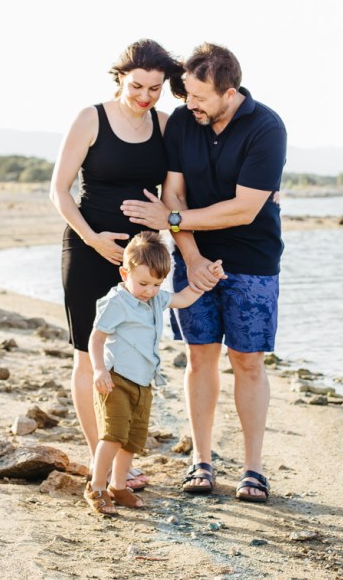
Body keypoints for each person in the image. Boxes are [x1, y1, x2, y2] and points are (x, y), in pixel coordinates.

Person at [120, 42, 287, 503]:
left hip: (252, 262)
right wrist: (191, 257)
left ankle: (253, 469)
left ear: (229, 93)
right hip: (194, 255)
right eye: (186, 94)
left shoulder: (267, 127)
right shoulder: (182, 123)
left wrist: (172, 221)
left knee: (248, 361)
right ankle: (201, 460)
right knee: (199, 357)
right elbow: (172, 193)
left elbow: (244, 208)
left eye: (199, 97)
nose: (188, 103)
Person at [49, 39, 184, 491]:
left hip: (144, 259)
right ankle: (99, 462)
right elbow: (59, 190)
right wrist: (93, 238)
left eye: (155, 88)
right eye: (137, 86)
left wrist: (166, 218)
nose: (145, 96)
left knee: (131, 357)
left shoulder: (166, 126)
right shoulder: (91, 119)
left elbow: (175, 193)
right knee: (89, 355)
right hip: (89, 250)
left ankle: (121, 462)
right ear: (120, 78)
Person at [84, 232, 225, 516]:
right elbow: (96, 338)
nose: (149, 290)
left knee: (132, 440)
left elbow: (183, 298)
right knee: (112, 436)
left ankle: (119, 485)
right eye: (143, 283)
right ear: (125, 273)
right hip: (116, 380)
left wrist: (208, 277)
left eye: (157, 284)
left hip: (143, 382)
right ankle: (97, 486)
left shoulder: (157, 299)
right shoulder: (117, 302)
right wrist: (99, 369)